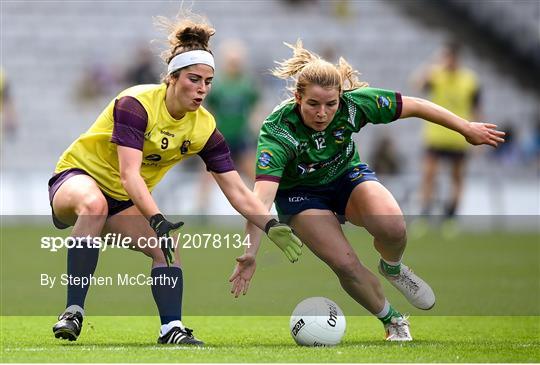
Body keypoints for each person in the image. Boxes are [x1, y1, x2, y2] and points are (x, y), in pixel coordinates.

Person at [48, 14, 302, 346]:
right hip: (76, 179)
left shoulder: (204, 127)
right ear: (172, 77)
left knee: (166, 247)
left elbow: (237, 190)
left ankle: (171, 329)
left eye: (208, 82)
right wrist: (156, 218)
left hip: (122, 201)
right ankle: (73, 311)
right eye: (194, 79)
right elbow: (128, 175)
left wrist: (269, 224)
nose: (202, 89)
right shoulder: (135, 105)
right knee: (94, 205)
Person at [229, 40, 505, 341]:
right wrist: (250, 252)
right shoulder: (278, 131)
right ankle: (393, 321)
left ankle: (393, 267)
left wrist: (465, 128)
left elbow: (415, 105)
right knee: (345, 263)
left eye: (330, 104)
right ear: (298, 97)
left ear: (340, 98)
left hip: (346, 176)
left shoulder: (355, 103)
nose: (323, 113)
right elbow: (260, 199)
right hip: (301, 195)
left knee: (393, 225)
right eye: (313, 104)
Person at [412, 41, 482, 227]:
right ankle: (425, 214)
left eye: (451, 57)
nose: (449, 61)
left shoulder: (470, 80)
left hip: (459, 137)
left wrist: (479, 137)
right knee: (428, 175)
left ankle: (451, 216)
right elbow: (417, 86)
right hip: (435, 135)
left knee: (457, 178)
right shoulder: (436, 75)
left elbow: (476, 109)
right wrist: (433, 64)